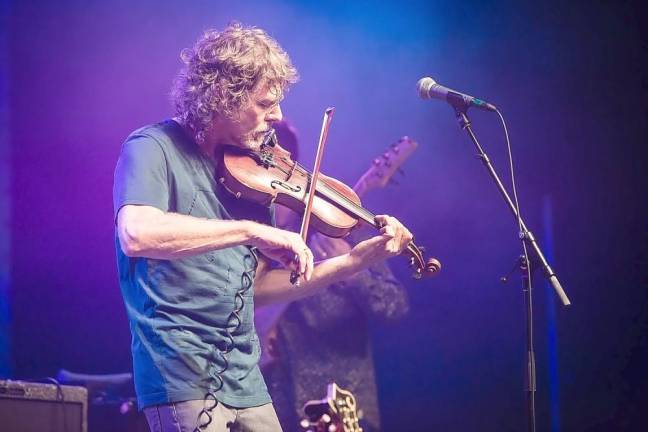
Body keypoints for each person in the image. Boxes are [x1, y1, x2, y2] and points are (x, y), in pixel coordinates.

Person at [113, 23, 414, 432]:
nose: (278, 116)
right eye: (265, 103)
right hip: (180, 373)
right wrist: (250, 232)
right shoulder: (152, 147)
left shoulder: (253, 176)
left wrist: (355, 262)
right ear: (223, 96)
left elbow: (257, 289)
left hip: (247, 378)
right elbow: (137, 233)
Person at [258, 121, 409, 432]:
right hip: (276, 407)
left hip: (344, 404)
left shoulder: (344, 234)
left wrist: (351, 270)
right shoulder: (258, 239)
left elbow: (395, 306)